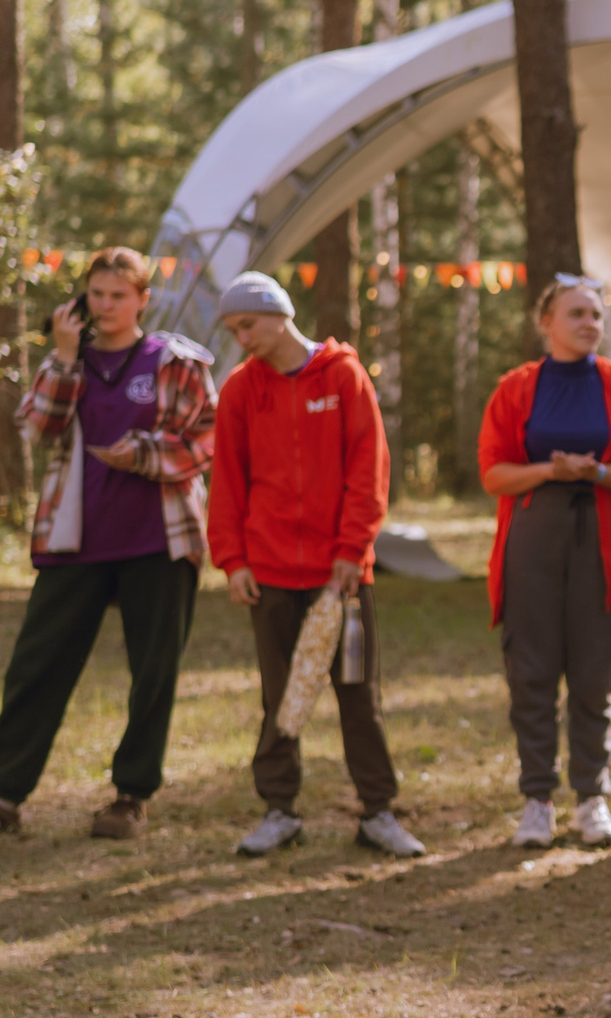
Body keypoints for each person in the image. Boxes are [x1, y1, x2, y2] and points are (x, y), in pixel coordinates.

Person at [0, 249, 218, 839]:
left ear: (143, 299)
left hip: (158, 538)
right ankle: (6, 791)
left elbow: (207, 438)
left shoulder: (175, 361)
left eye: (118, 295)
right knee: (35, 665)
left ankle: (130, 796)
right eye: (96, 295)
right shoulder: (67, 362)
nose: (105, 306)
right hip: (76, 539)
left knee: (153, 670)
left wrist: (145, 454)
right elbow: (39, 428)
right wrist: (66, 358)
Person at [206, 273, 425, 859]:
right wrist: (232, 560)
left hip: (342, 578)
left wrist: (353, 552)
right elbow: (226, 481)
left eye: (247, 325)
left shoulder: (344, 376)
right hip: (270, 572)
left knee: (358, 694)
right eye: (233, 330)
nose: (242, 338)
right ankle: (280, 811)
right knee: (280, 697)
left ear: (279, 314)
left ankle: (378, 812)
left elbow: (368, 470)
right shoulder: (239, 390)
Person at [479, 277, 611, 848]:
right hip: (532, 540)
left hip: (600, 544)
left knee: (593, 672)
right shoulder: (516, 388)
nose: (589, 323)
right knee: (530, 672)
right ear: (546, 323)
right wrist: (550, 472)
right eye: (576, 314)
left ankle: (591, 798)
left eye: (596, 315)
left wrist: (597, 472)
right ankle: (536, 799)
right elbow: (494, 473)